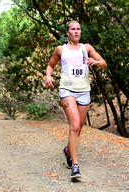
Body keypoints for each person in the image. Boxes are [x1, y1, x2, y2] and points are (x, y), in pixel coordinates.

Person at [45, 20, 107, 179]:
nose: (76, 32)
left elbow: (104, 64)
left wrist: (96, 62)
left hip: (84, 91)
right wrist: (48, 77)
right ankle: (75, 165)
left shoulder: (87, 48)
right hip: (67, 90)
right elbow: (50, 66)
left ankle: (67, 150)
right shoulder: (61, 49)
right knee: (73, 126)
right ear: (67, 33)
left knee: (78, 128)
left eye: (78, 29)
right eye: (73, 29)